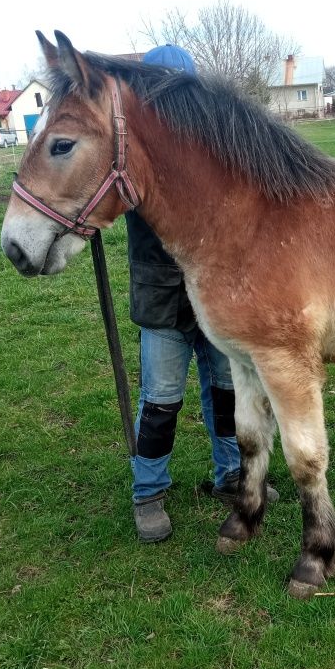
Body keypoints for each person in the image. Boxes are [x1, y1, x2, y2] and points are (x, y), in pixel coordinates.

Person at [128, 44, 277, 542]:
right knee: (161, 400)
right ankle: (148, 492)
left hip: (218, 295)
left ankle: (231, 475)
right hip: (163, 299)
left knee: (226, 392)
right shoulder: (135, 154)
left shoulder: (216, 149)